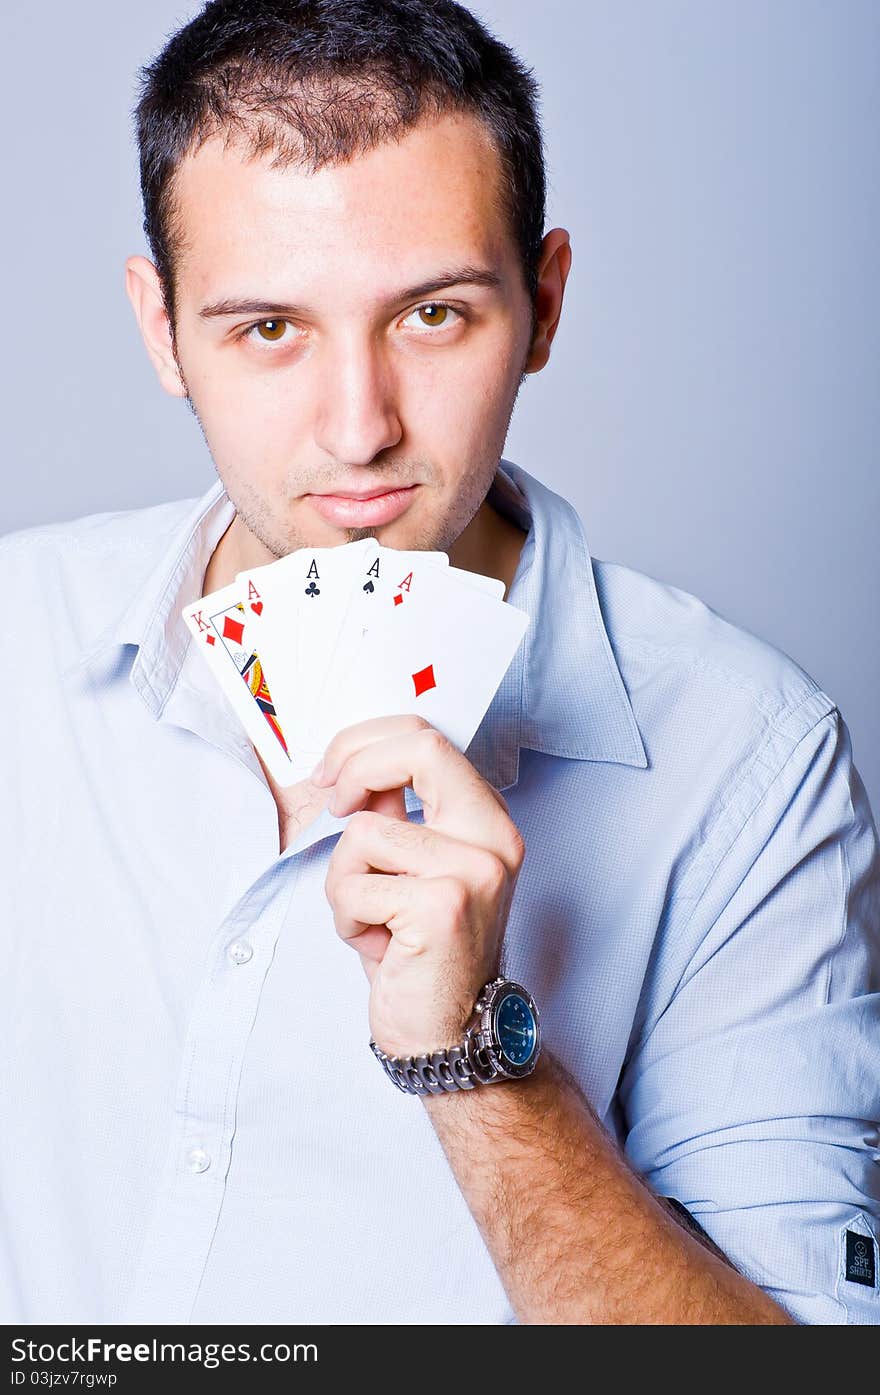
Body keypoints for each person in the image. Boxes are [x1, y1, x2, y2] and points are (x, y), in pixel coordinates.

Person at [1, 0, 877, 1327]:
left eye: (433, 315)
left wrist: (477, 1062)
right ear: (160, 327)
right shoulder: (16, 638)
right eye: (268, 330)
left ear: (544, 304)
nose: (359, 431)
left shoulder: (748, 765)